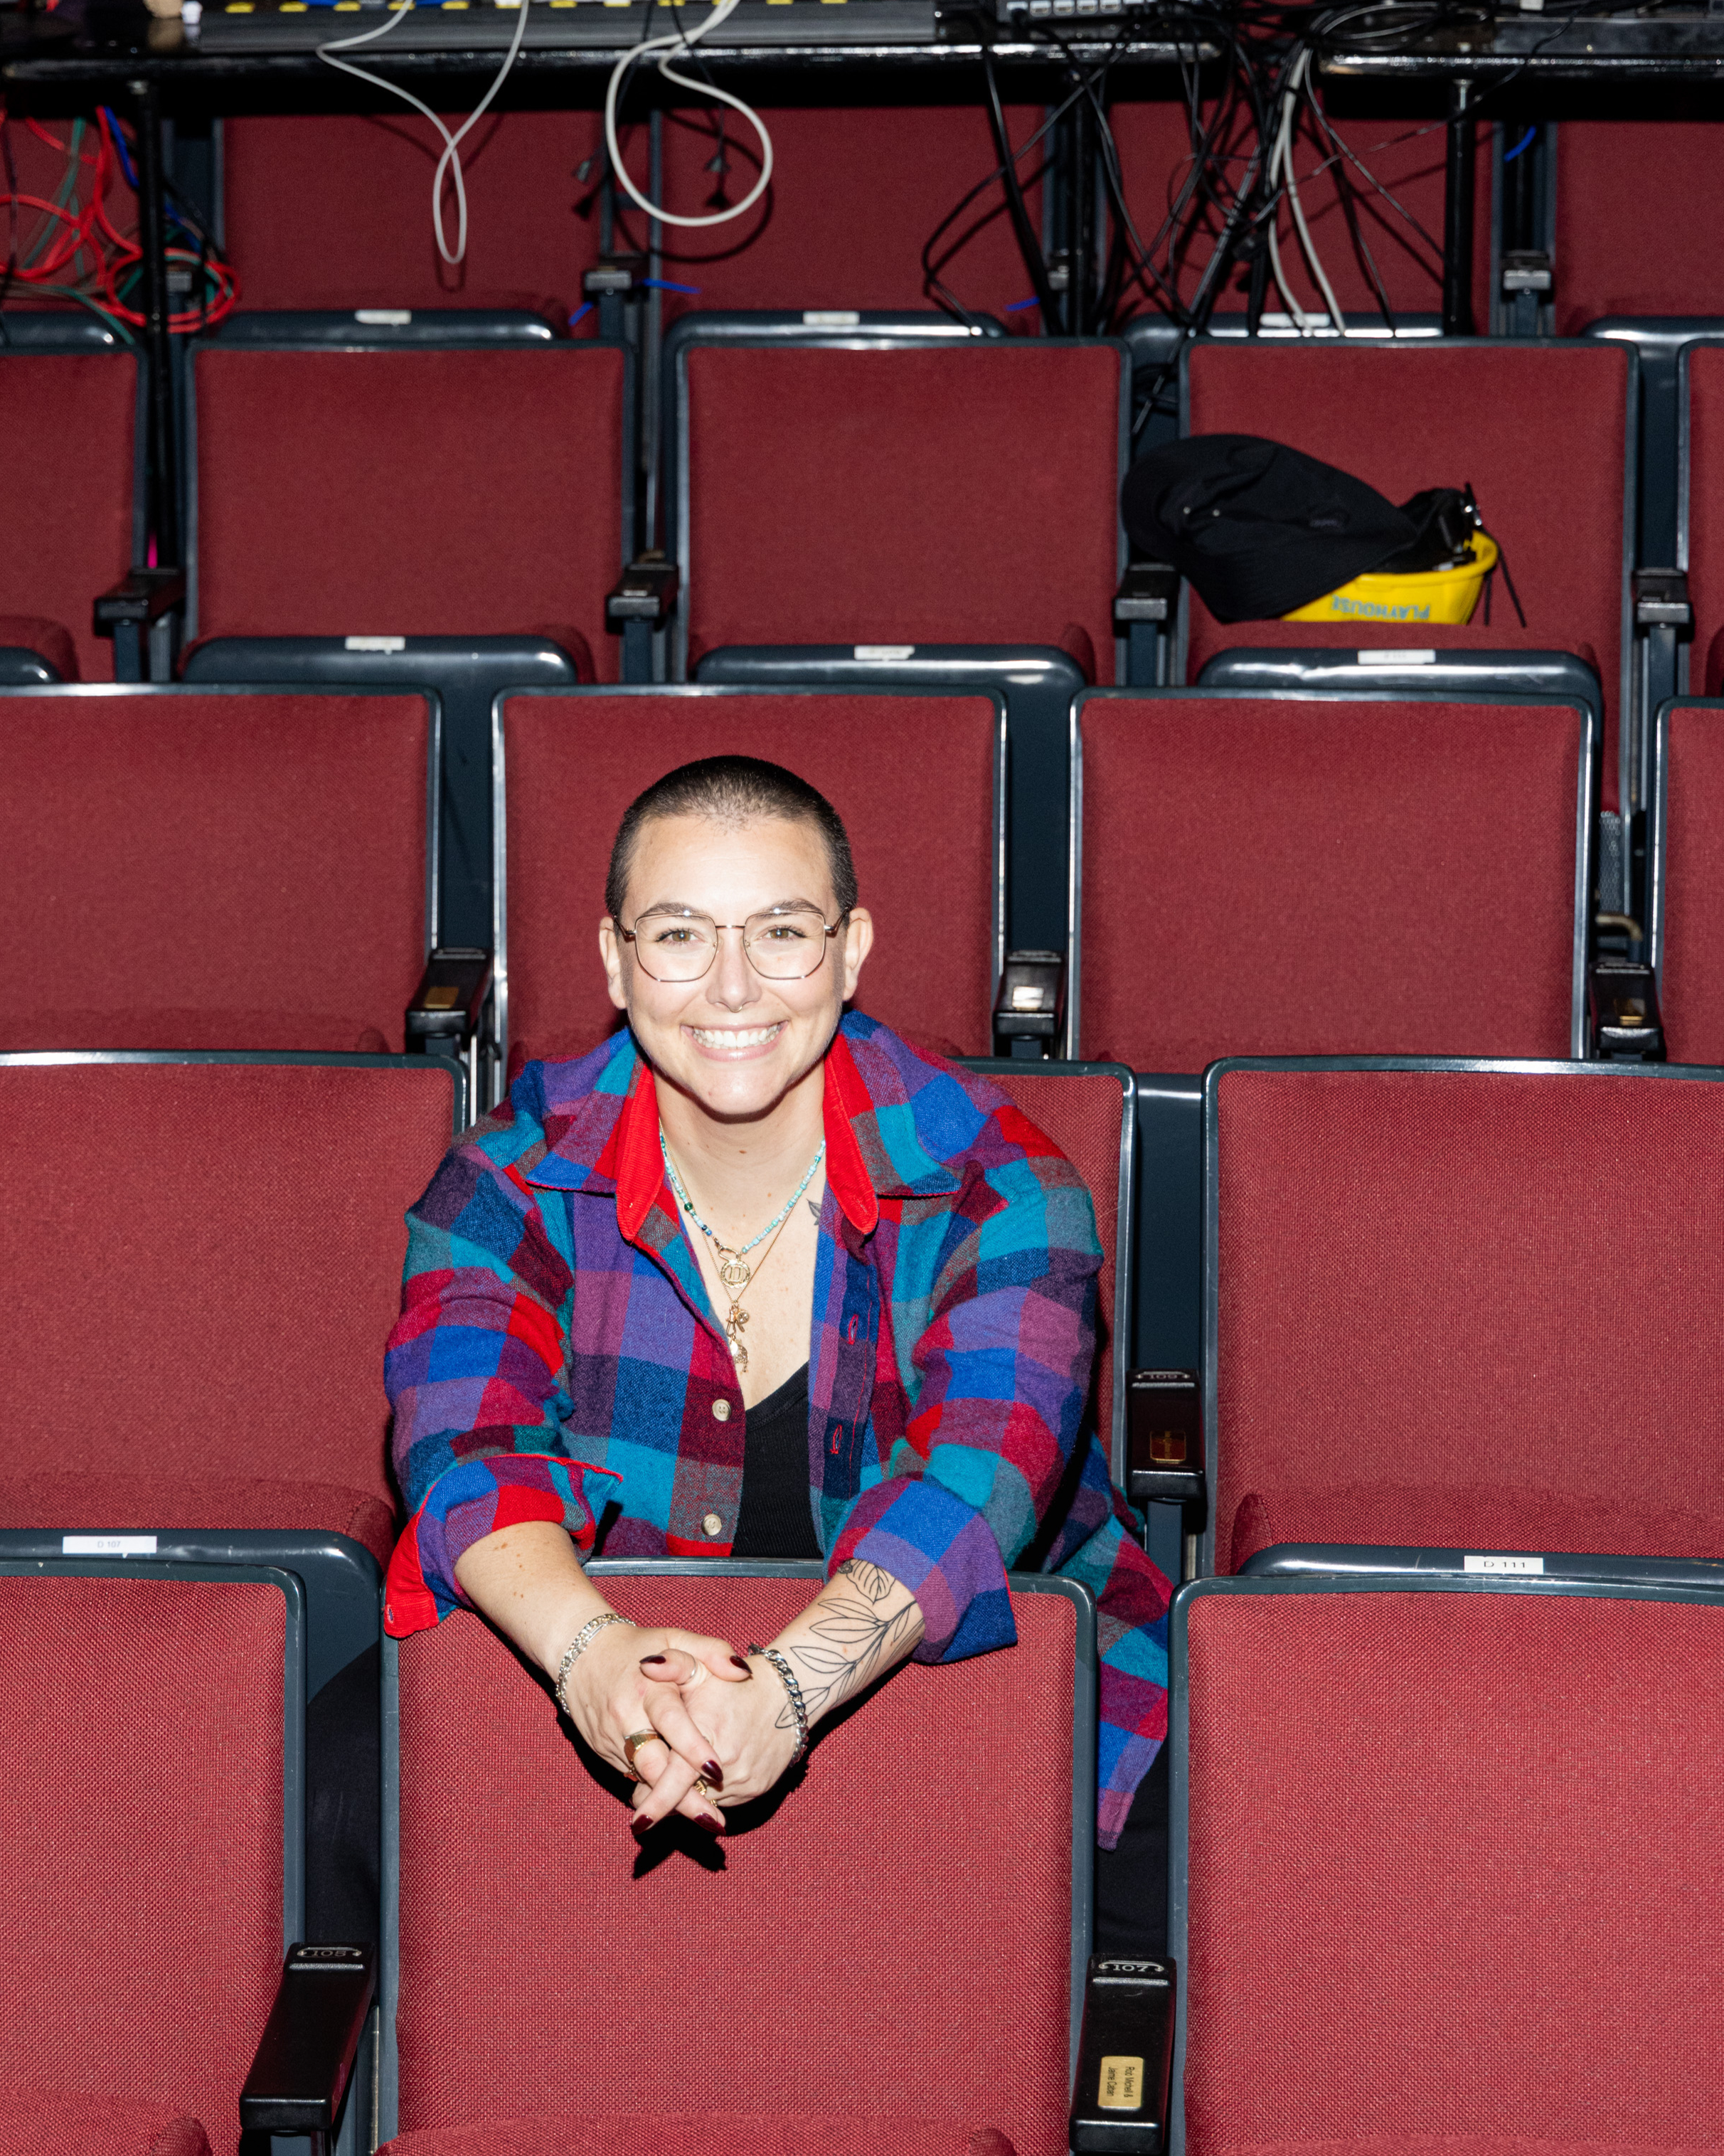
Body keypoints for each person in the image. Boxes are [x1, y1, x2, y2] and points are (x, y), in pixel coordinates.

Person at [370, 752, 1172, 1885]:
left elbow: (975, 1486)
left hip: (975, 1693)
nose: (734, 988)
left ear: (851, 952)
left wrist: (787, 1691)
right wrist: (593, 1659)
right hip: (598, 1673)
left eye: (783, 932)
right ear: (616, 958)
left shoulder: (1002, 1185)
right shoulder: (505, 1181)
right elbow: (465, 1448)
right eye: (682, 933)